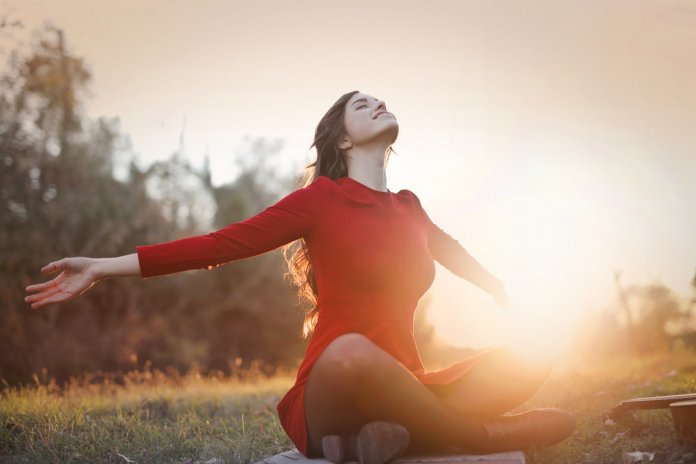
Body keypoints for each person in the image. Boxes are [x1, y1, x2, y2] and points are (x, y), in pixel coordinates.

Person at [25, 90, 576, 463]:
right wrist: (103, 266)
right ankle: (478, 437)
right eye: (363, 104)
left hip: (407, 383)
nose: (379, 102)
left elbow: (449, 250)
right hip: (331, 389)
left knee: (535, 355)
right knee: (353, 351)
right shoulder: (320, 200)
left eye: (380, 98)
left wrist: (501, 289)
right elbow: (219, 244)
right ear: (341, 139)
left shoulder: (409, 206)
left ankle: (389, 436)